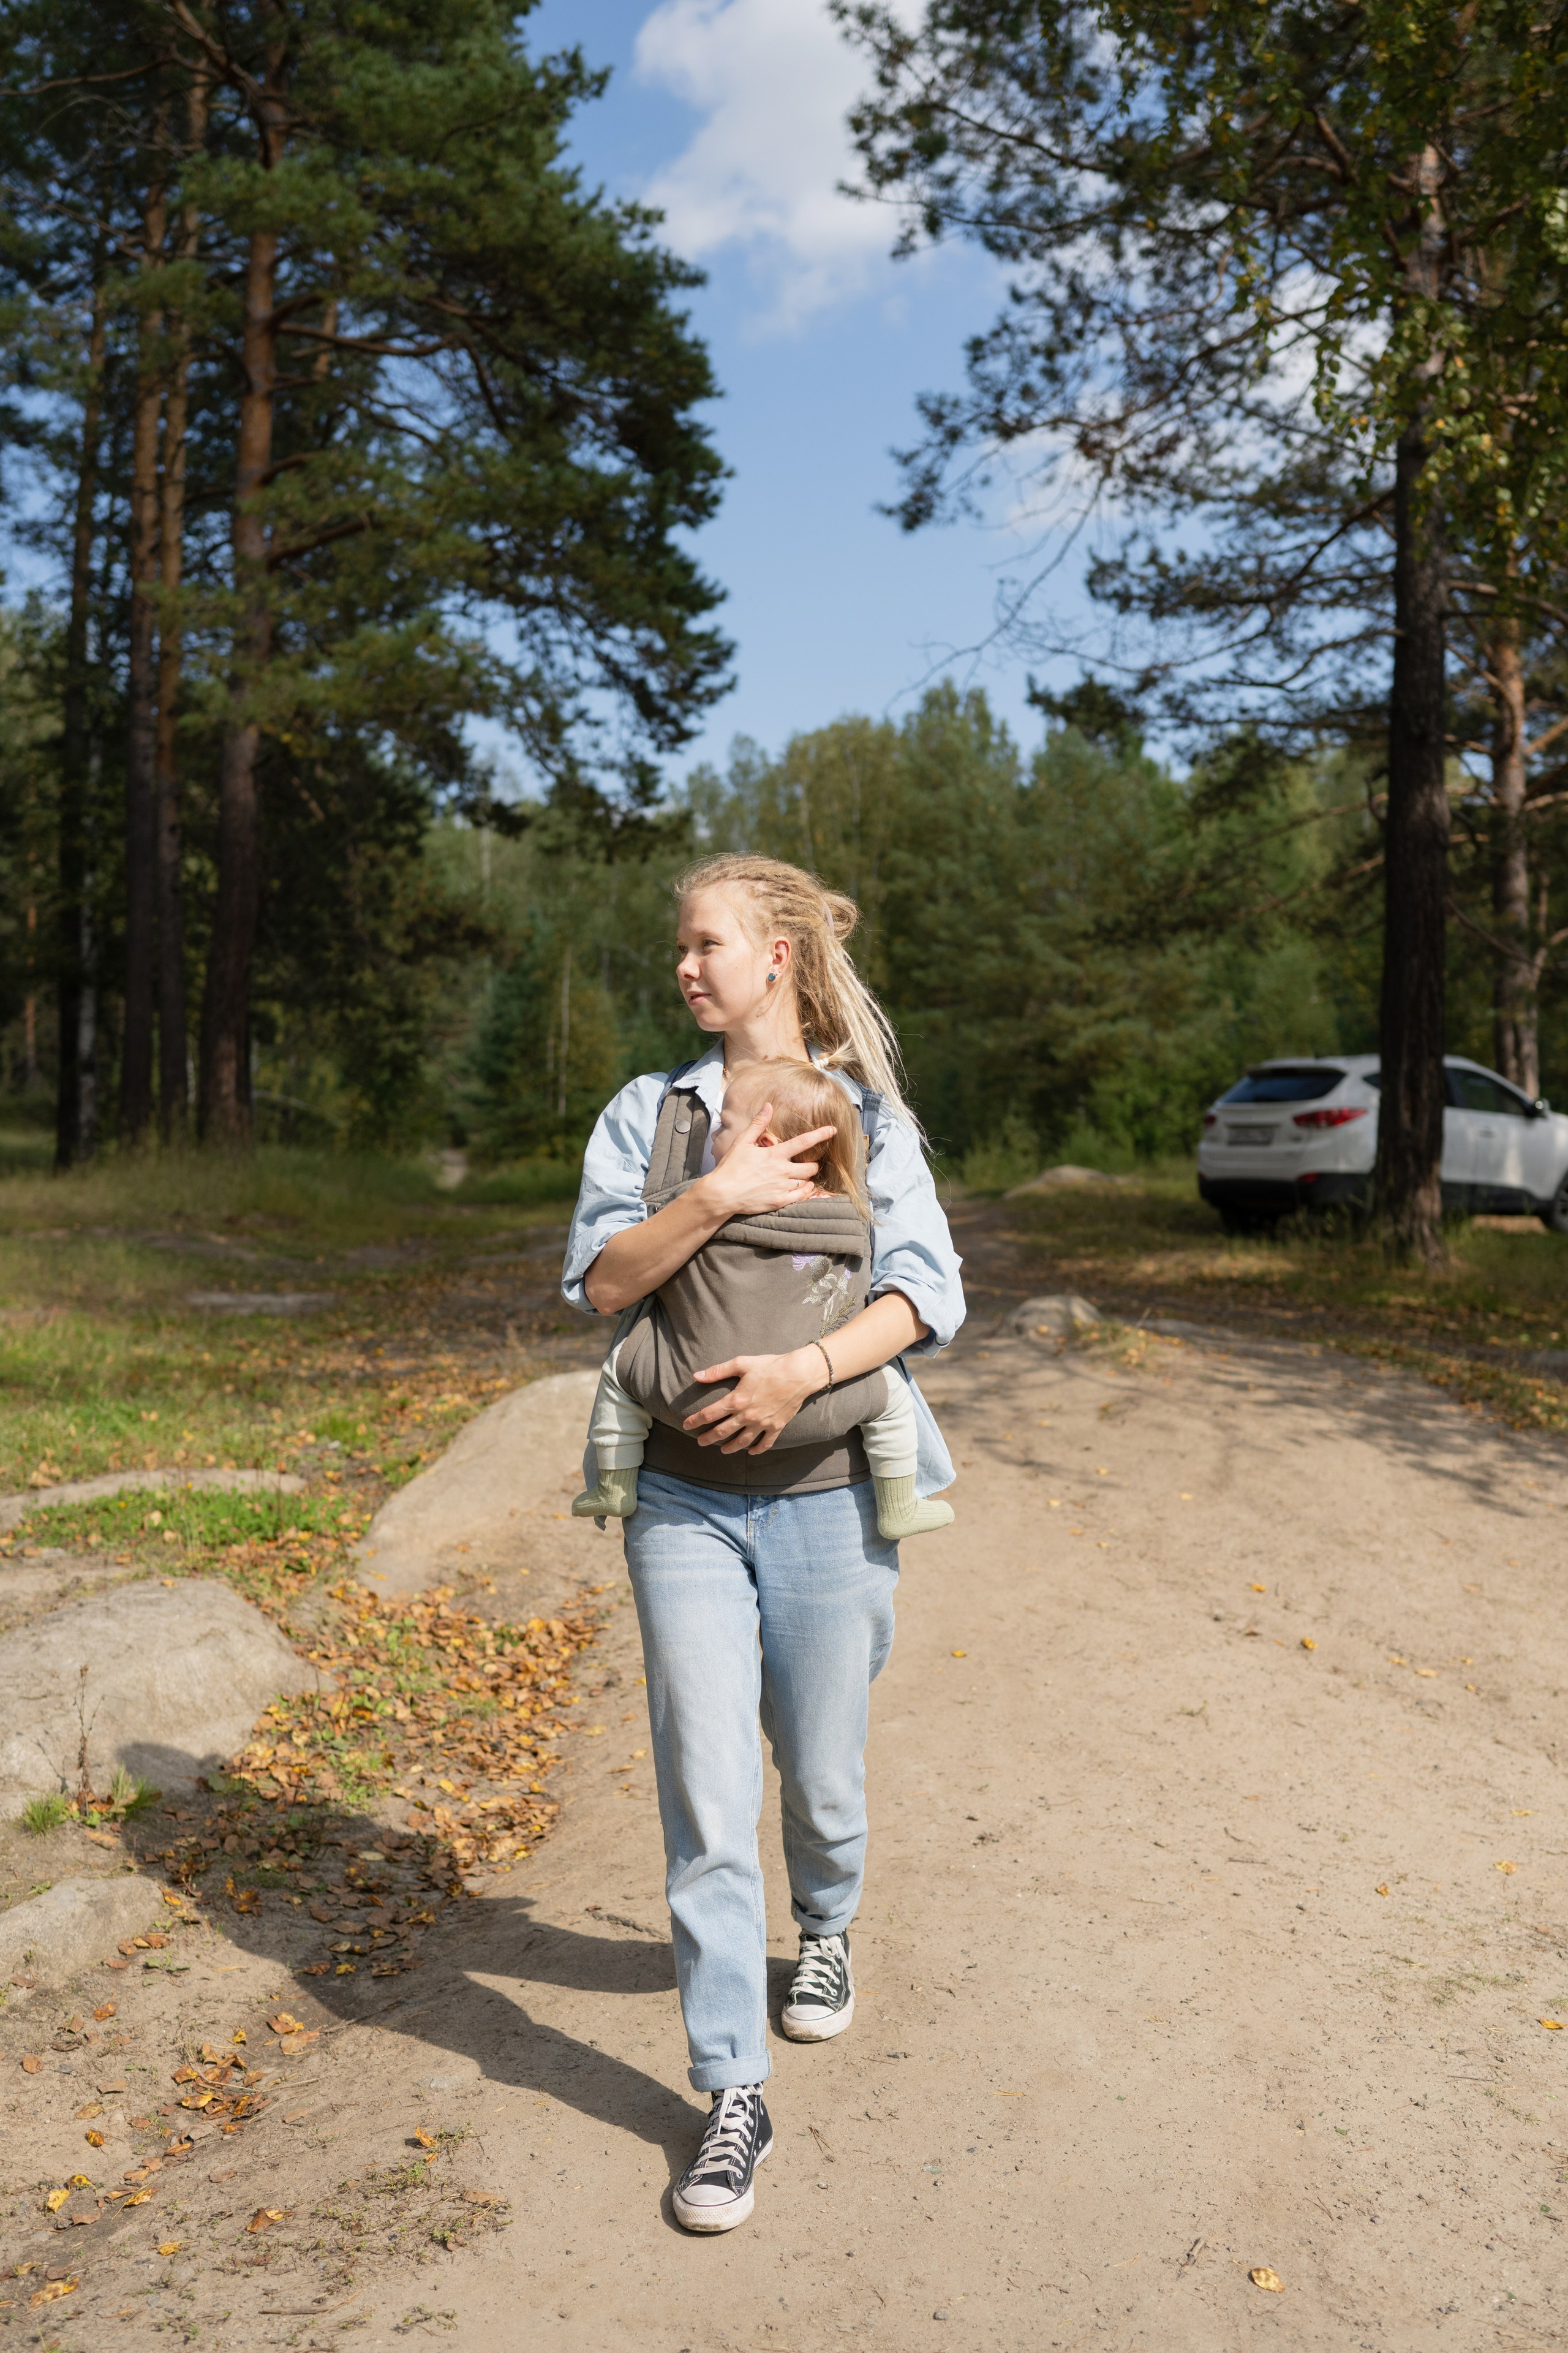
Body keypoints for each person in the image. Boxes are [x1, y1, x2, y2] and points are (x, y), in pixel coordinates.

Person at [562, 852, 965, 2234]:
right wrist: (717, 1196)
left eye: (705, 944)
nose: (684, 967)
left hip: (825, 1492)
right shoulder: (648, 1114)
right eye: (680, 947)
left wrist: (801, 1372)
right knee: (704, 1786)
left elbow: (926, 1290)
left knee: (824, 1769)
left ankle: (830, 1919)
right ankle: (731, 2093)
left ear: (776, 955)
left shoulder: (865, 1116)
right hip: (678, 1500)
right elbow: (600, 1284)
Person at [570, 1053, 955, 1542]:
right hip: (827, 1413)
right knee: (893, 1395)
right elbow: (917, 1291)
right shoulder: (847, 1210)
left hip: (684, 1397)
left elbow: (928, 1290)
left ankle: (614, 1481)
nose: (713, 1137)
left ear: (764, 1142)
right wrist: (810, 1370)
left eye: (724, 1125)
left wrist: (706, 1200)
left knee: (622, 1365)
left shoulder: (697, 1197)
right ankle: (901, 1501)